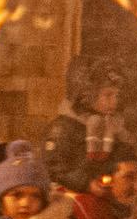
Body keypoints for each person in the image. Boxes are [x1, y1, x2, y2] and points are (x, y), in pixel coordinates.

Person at [43, 58, 126, 194]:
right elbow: (54, 169)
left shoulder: (111, 126)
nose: (114, 102)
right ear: (86, 96)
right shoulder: (62, 129)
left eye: (116, 95)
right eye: (108, 95)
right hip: (71, 200)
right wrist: (86, 184)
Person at [68, 152, 137, 219]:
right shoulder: (86, 205)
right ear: (108, 180)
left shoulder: (129, 208)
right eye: (129, 177)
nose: (136, 186)